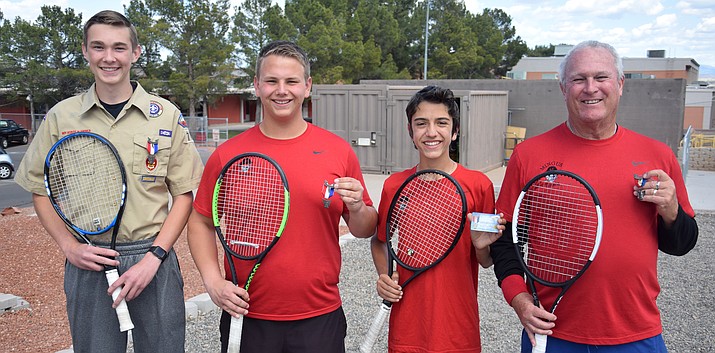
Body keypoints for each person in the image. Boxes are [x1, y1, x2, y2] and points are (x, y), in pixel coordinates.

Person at [490, 40, 699, 352]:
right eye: (578, 79)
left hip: (637, 334)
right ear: (563, 88)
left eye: (601, 77)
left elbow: (682, 244)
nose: (590, 88)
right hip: (552, 333)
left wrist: (670, 209)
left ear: (620, 84)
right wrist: (518, 299)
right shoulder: (528, 155)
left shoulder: (658, 155)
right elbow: (504, 238)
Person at [14, 10, 203, 353]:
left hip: (152, 259)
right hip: (89, 258)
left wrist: (154, 257)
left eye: (119, 47)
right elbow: (39, 190)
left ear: (136, 52)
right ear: (85, 51)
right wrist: (70, 248)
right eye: (98, 47)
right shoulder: (62, 116)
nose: (109, 57)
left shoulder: (166, 116)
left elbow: (184, 195)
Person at [187, 40, 378, 353]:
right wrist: (212, 281)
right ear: (257, 85)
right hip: (247, 314)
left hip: (320, 317)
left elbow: (365, 228)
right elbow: (200, 221)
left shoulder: (338, 151)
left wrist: (358, 206)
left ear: (307, 86)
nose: (281, 90)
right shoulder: (228, 155)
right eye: (272, 81)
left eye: (291, 81)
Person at [369, 85, 505, 353]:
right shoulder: (394, 185)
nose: (431, 132)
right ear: (411, 132)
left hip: (458, 330)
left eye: (441, 123)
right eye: (421, 123)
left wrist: (481, 246)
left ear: (454, 131)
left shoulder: (479, 185)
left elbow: (486, 260)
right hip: (407, 328)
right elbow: (379, 241)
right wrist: (385, 276)